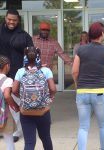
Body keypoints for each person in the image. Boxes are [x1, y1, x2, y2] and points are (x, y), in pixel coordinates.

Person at [72, 22, 104, 150]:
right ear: (102, 34)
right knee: (103, 125)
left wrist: (77, 85)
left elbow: (74, 71)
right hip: (100, 92)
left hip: (82, 92)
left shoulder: (80, 50)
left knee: (83, 127)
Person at [12, 46, 56, 150]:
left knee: (29, 142)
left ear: (25, 57)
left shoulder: (20, 71)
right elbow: (53, 89)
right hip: (43, 111)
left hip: (26, 112)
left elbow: (14, 90)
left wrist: (22, 97)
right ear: (39, 57)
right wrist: (50, 98)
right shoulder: (46, 71)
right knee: (46, 138)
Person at [0, 9, 34, 142]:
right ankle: (2, 126)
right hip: (1, 74)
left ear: (18, 21)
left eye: (14, 20)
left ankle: (17, 131)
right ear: (5, 18)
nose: (11, 22)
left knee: (15, 105)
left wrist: (30, 72)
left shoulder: (24, 36)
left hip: (17, 75)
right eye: (9, 19)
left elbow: (31, 56)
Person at [0, 55, 19, 150]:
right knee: (8, 139)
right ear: (7, 66)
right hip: (4, 114)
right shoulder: (7, 80)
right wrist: (15, 106)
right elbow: (7, 95)